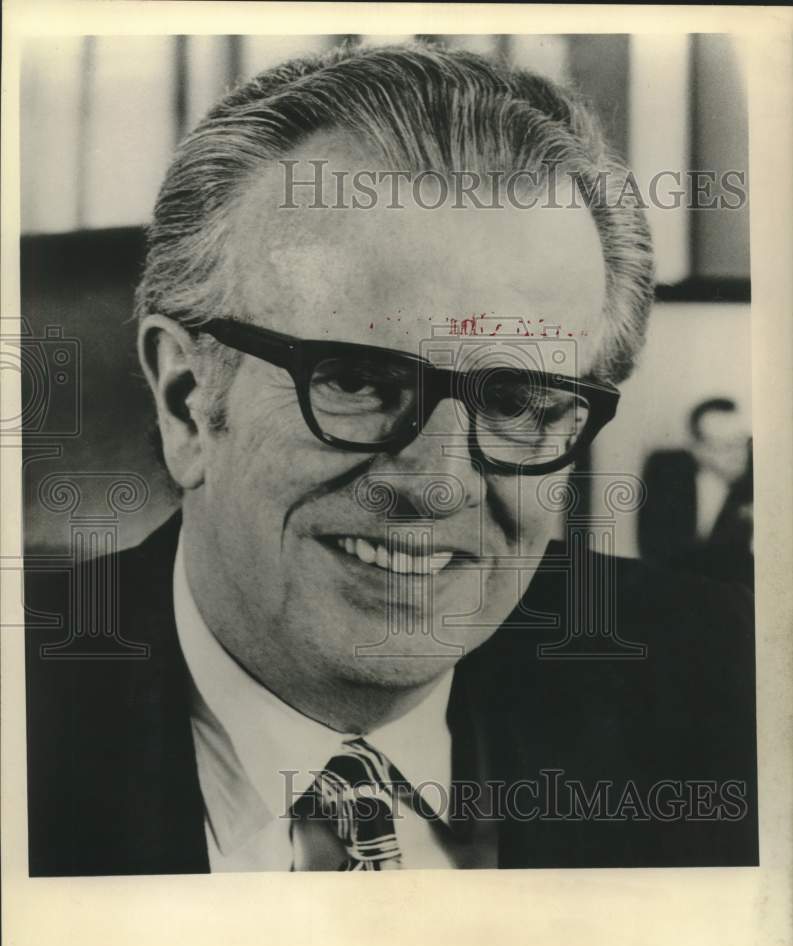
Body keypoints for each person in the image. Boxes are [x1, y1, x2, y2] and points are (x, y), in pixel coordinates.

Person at [25, 43, 757, 875]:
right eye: (357, 380)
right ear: (187, 398)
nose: (438, 482)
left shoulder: (721, 678)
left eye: (516, 401)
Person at [639, 398, 754, 589]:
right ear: (697, 449)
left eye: (743, 441)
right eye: (726, 446)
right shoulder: (665, 469)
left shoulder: (760, 480)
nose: (739, 454)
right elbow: (655, 549)